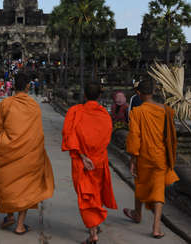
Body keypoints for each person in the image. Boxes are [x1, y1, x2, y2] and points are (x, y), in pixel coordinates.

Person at [0, 73, 54, 235]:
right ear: (28, 86)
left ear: (13, 85)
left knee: (8, 182)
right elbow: (38, 132)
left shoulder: (5, 104)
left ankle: (9, 214)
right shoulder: (33, 105)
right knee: (25, 187)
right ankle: (19, 224)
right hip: (29, 151)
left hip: (7, 150)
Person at [62, 82, 117, 244]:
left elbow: (68, 135)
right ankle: (95, 224)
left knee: (87, 196)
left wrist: (82, 155)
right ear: (99, 96)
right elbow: (107, 138)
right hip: (98, 161)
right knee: (96, 193)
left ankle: (93, 234)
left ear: (84, 95)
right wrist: (93, 155)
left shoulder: (75, 111)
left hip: (82, 162)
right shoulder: (105, 115)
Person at [123, 79, 179, 239]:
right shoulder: (166, 111)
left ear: (139, 94)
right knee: (158, 189)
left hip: (144, 156)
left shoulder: (138, 112)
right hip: (161, 156)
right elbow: (171, 135)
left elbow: (134, 137)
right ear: (153, 92)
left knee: (140, 183)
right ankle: (156, 227)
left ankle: (137, 214)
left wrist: (132, 160)